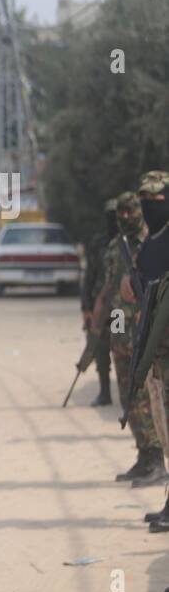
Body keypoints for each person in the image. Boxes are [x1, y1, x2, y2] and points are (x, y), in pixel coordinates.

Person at [95, 191, 164, 486]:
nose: (125, 218)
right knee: (127, 392)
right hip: (120, 324)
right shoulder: (115, 246)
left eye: (130, 212)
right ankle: (144, 454)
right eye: (120, 213)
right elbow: (111, 286)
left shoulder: (152, 243)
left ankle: (156, 459)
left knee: (148, 395)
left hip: (144, 324)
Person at [80, 199, 119, 407]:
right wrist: (85, 307)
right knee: (99, 348)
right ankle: (105, 392)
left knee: (121, 346)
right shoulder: (98, 244)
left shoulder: (130, 244)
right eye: (110, 215)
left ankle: (126, 392)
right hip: (99, 309)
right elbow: (89, 277)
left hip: (121, 310)